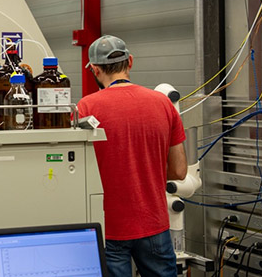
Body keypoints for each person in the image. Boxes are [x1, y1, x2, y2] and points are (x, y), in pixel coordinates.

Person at [77, 35, 187, 277]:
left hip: (108, 228)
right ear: (131, 61)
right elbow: (179, 171)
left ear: (95, 70)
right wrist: (146, 169)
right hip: (154, 223)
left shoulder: (85, 108)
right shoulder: (163, 104)